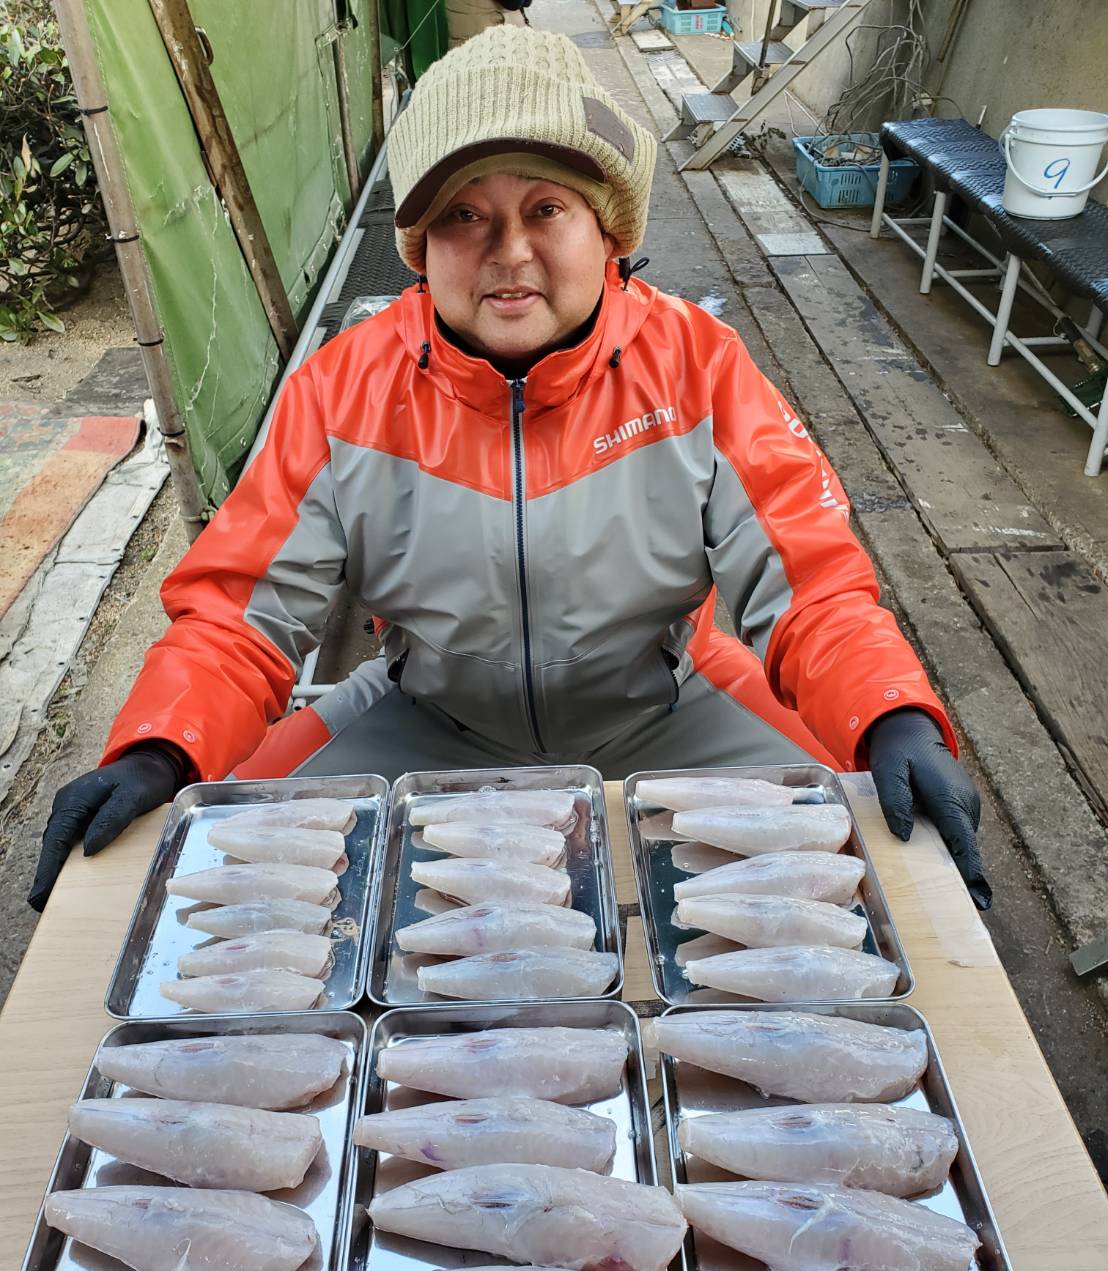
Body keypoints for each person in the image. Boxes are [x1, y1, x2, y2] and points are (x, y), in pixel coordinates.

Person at [28, 27, 990, 912]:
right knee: (200, 878)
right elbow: (240, 615)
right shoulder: (342, 390)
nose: (510, 251)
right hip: (426, 718)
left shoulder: (699, 367)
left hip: (667, 709)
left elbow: (812, 581)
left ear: (608, 229)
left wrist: (892, 715)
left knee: (882, 869)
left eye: (546, 207)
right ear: (420, 247)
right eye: (464, 214)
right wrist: (159, 744)